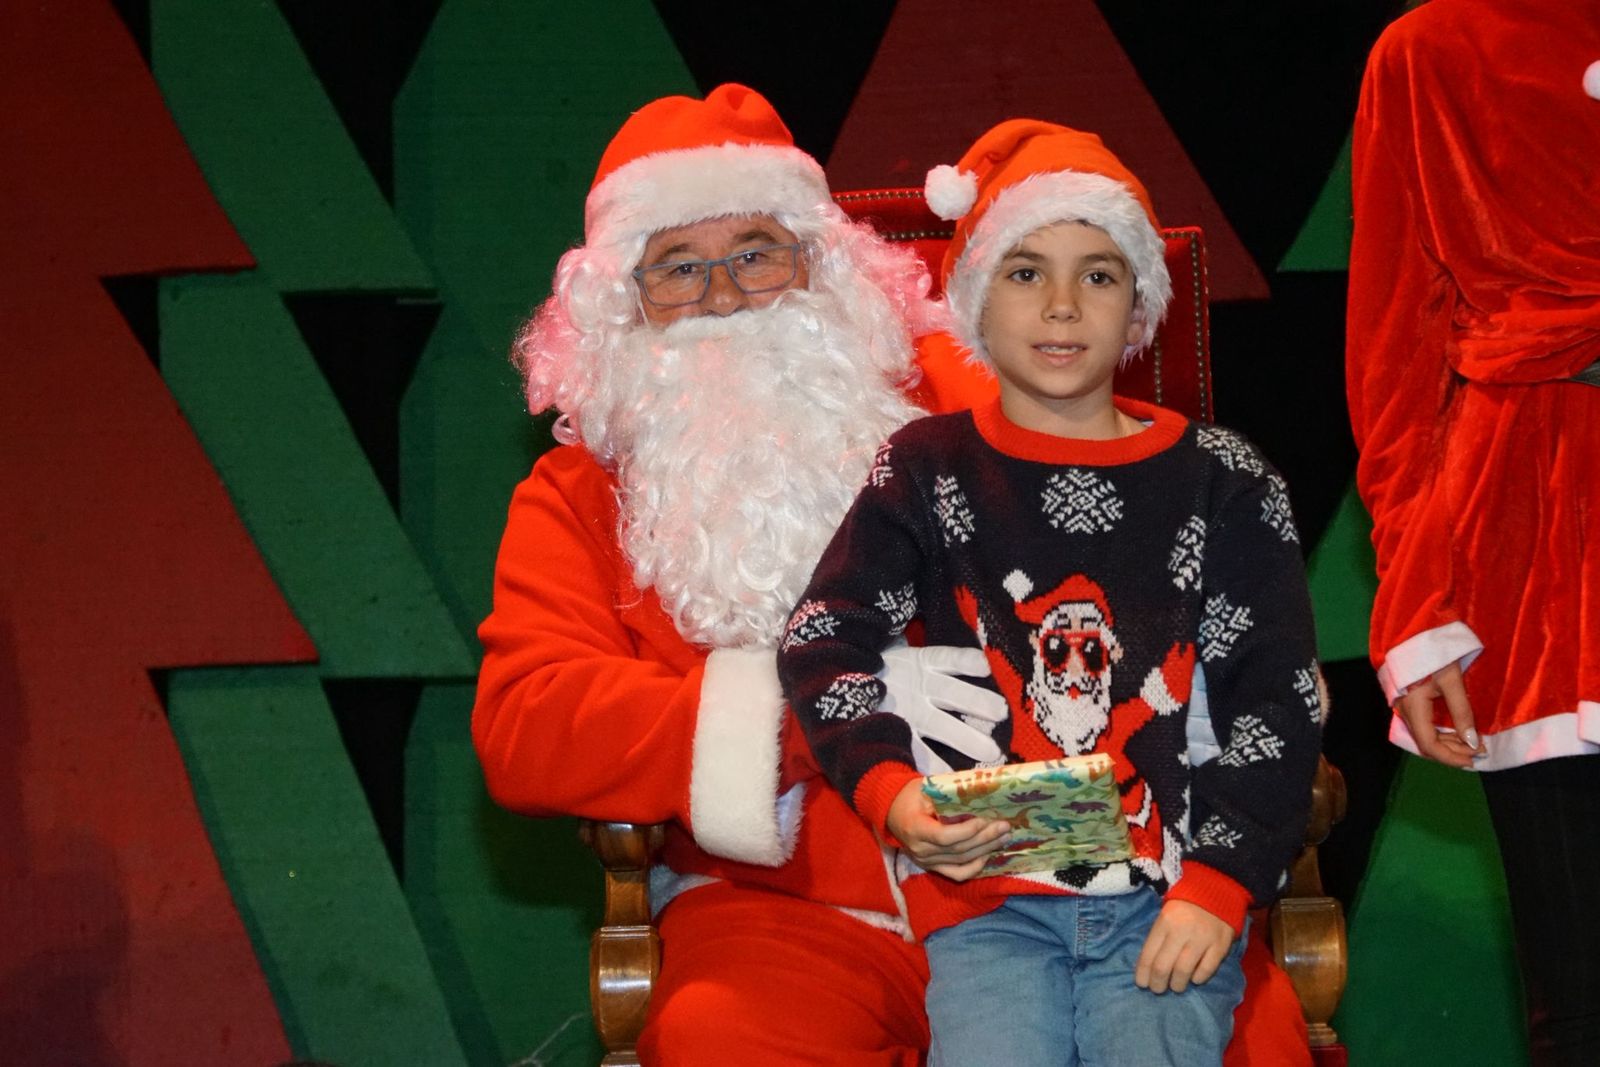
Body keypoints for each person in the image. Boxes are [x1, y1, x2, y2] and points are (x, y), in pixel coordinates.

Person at [777, 120, 1324, 1065]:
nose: (1062, 305)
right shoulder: (924, 469)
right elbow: (824, 637)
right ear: (975, 298)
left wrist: (1220, 884)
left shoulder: (1224, 483)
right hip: (987, 906)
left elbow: (1279, 698)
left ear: (1141, 304)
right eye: (1026, 271)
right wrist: (891, 791)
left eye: (1099, 274)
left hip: (1171, 901)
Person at [1346, 2, 1600, 1061]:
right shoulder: (1435, 49)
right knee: (1583, 990)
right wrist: (1416, 599)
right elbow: (1393, 338)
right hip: (1538, 526)